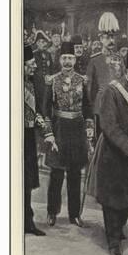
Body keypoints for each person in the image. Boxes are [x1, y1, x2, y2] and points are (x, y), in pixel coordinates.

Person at [89, 49, 128, 255]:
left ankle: (118, 228)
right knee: (112, 201)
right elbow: (109, 126)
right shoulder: (111, 92)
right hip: (113, 153)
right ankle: (113, 242)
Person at [42, 41, 93, 228]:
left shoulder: (82, 80)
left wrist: (89, 129)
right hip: (59, 130)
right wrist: (49, 133)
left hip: (77, 130)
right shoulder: (52, 80)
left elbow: (88, 107)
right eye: (64, 58)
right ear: (59, 59)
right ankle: (51, 212)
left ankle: (74, 214)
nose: (67, 62)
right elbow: (45, 109)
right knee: (56, 173)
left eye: (70, 58)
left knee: (74, 174)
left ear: (75, 58)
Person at [86, 12, 124, 137]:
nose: (111, 40)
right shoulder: (94, 60)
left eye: (113, 37)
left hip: (118, 106)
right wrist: (91, 111)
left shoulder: (120, 58)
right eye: (107, 37)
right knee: (101, 141)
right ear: (101, 39)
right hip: (101, 106)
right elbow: (89, 89)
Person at [23, 45, 46, 236]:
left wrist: (38, 118)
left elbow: (35, 108)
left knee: (28, 180)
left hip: (28, 136)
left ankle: (27, 222)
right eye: (30, 64)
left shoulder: (30, 83)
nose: (35, 66)